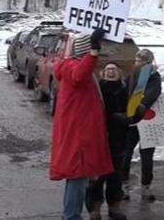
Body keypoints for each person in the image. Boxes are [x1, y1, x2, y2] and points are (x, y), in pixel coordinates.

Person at [50, 28, 113, 220]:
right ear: (86, 51)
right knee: (77, 178)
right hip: (78, 136)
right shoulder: (72, 67)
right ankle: (71, 217)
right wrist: (94, 51)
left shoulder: (77, 68)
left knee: (79, 178)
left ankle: (71, 215)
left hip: (82, 134)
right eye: (94, 51)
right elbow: (79, 74)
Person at [86, 62, 130, 220]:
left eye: (114, 69)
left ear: (119, 72)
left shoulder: (125, 89)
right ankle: (94, 208)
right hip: (100, 136)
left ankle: (114, 206)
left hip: (119, 137)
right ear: (103, 73)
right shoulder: (98, 90)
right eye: (108, 69)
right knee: (97, 175)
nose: (111, 72)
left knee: (115, 175)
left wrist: (131, 116)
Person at [121, 48, 162, 202]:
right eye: (137, 60)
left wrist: (138, 106)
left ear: (148, 62)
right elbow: (123, 90)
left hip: (147, 121)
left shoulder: (153, 77)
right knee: (126, 153)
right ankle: (123, 185)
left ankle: (146, 186)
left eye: (141, 61)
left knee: (147, 156)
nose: (138, 63)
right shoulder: (132, 75)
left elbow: (152, 94)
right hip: (131, 120)